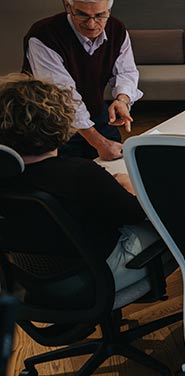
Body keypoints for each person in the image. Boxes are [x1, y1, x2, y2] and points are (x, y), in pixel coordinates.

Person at [0, 74, 161, 291]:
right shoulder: (80, 173)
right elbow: (133, 214)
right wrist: (129, 188)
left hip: (30, 283)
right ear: (59, 120)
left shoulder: (9, 178)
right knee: (170, 228)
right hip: (93, 278)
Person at [22, 0, 140, 161]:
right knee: (65, 174)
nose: (92, 24)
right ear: (68, 6)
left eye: (100, 15)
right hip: (50, 119)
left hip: (94, 110)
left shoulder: (117, 29)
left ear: (108, 10)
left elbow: (126, 71)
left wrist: (122, 100)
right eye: (83, 14)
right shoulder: (44, 36)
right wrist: (99, 143)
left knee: (117, 162)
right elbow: (63, 96)